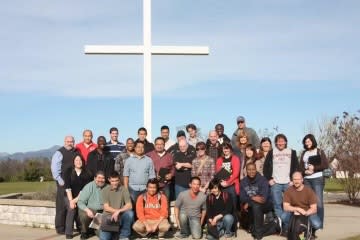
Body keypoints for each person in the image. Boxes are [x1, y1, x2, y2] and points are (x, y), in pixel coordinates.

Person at [263, 134, 299, 235]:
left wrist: (293, 180)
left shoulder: (292, 152)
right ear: (276, 143)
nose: (280, 143)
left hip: (288, 183)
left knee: (288, 206)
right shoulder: (271, 152)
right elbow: (265, 167)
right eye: (278, 141)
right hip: (276, 183)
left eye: (282, 141)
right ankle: (281, 227)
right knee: (277, 206)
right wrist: (269, 179)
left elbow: (296, 166)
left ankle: (287, 226)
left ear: (286, 142)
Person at [240, 163, 280, 240]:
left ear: (256, 170)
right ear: (246, 171)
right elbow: (242, 198)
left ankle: (258, 235)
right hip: (252, 204)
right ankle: (274, 226)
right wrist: (252, 198)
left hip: (266, 205)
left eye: (253, 169)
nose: (251, 171)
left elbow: (263, 199)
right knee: (252, 230)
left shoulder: (263, 180)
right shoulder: (243, 181)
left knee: (256, 205)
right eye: (249, 170)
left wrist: (249, 200)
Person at [299, 134, 329, 232]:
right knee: (309, 203)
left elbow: (325, 164)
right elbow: (300, 167)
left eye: (309, 141)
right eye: (305, 142)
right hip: (307, 179)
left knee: (319, 203)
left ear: (312, 141)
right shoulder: (304, 153)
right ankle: (311, 223)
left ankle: (319, 224)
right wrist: (304, 171)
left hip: (317, 179)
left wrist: (314, 168)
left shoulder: (319, 151)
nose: (307, 143)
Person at [51, 135, 78, 235]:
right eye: (68, 141)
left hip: (73, 183)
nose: (70, 143)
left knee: (71, 207)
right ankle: (60, 228)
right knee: (61, 207)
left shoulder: (76, 152)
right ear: (64, 142)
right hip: (62, 183)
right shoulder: (59, 153)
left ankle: (68, 228)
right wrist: (61, 182)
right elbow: (55, 170)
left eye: (72, 141)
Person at [283, 172, 322, 240]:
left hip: (306, 212)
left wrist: (305, 213)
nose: (296, 181)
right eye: (294, 179)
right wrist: (297, 209)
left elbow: (314, 208)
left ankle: (308, 230)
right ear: (292, 180)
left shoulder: (309, 191)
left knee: (317, 224)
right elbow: (285, 207)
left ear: (302, 180)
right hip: (294, 212)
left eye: (298, 179)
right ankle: (290, 230)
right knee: (283, 217)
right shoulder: (289, 190)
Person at [63, 155, 92, 239]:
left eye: (80, 160)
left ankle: (83, 230)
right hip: (69, 196)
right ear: (73, 162)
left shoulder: (87, 173)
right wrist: (71, 201)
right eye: (76, 160)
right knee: (71, 209)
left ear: (83, 162)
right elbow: (67, 188)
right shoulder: (68, 171)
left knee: (81, 210)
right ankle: (69, 232)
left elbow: (84, 191)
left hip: (82, 196)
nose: (78, 162)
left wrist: (74, 201)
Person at [100, 172, 134, 240]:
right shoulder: (104, 190)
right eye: (112, 181)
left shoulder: (124, 189)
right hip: (108, 217)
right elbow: (106, 208)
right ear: (109, 180)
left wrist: (118, 211)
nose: (115, 183)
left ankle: (124, 236)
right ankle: (115, 234)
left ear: (119, 180)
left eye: (116, 180)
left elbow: (129, 205)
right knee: (104, 238)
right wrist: (116, 211)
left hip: (121, 216)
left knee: (130, 213)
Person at [77, 171, 107, 240]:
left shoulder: (108, 187)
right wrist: (87, 210)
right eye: (99, 178)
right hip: (91, 211)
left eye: (103, 178)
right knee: (84, 215)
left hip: (102, 214)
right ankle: (84, 231)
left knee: (104, 236)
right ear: (94, 178)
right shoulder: (89, 187)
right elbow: (80, 202)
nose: (101, 180)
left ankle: (94, 229)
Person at [146, 137, 174, 201]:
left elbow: (173, 167)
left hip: (165, 185)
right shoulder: (148, 155)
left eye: (161, 144)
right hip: (152, 185)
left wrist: (171, 175)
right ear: (154, 145)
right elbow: (145, 169)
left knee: (165, 203)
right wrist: (154, 176)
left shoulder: (169, 156)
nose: (159, 146)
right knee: (153, 204)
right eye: (157, 144)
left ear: (164, 145)